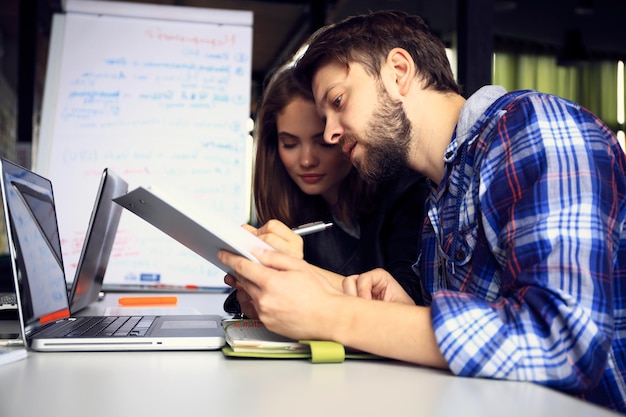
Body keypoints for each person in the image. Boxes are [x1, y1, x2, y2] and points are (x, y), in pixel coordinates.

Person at [218, 10, 626, 412]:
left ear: (398, 72)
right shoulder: (441, 195)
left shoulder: (538, 129)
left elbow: (561, 342)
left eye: (338, 101)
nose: (329, 132)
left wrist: (334, 314)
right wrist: (291, 279)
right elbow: (475, 336)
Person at [224, 65, 430, 317]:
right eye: (289, 144)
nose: (307, 160)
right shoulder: (292, 207)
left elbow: (409, 301)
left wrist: (296, 276)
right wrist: (249, 298)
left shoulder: (406, 192)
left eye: (323, 142)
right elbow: (238, 299)